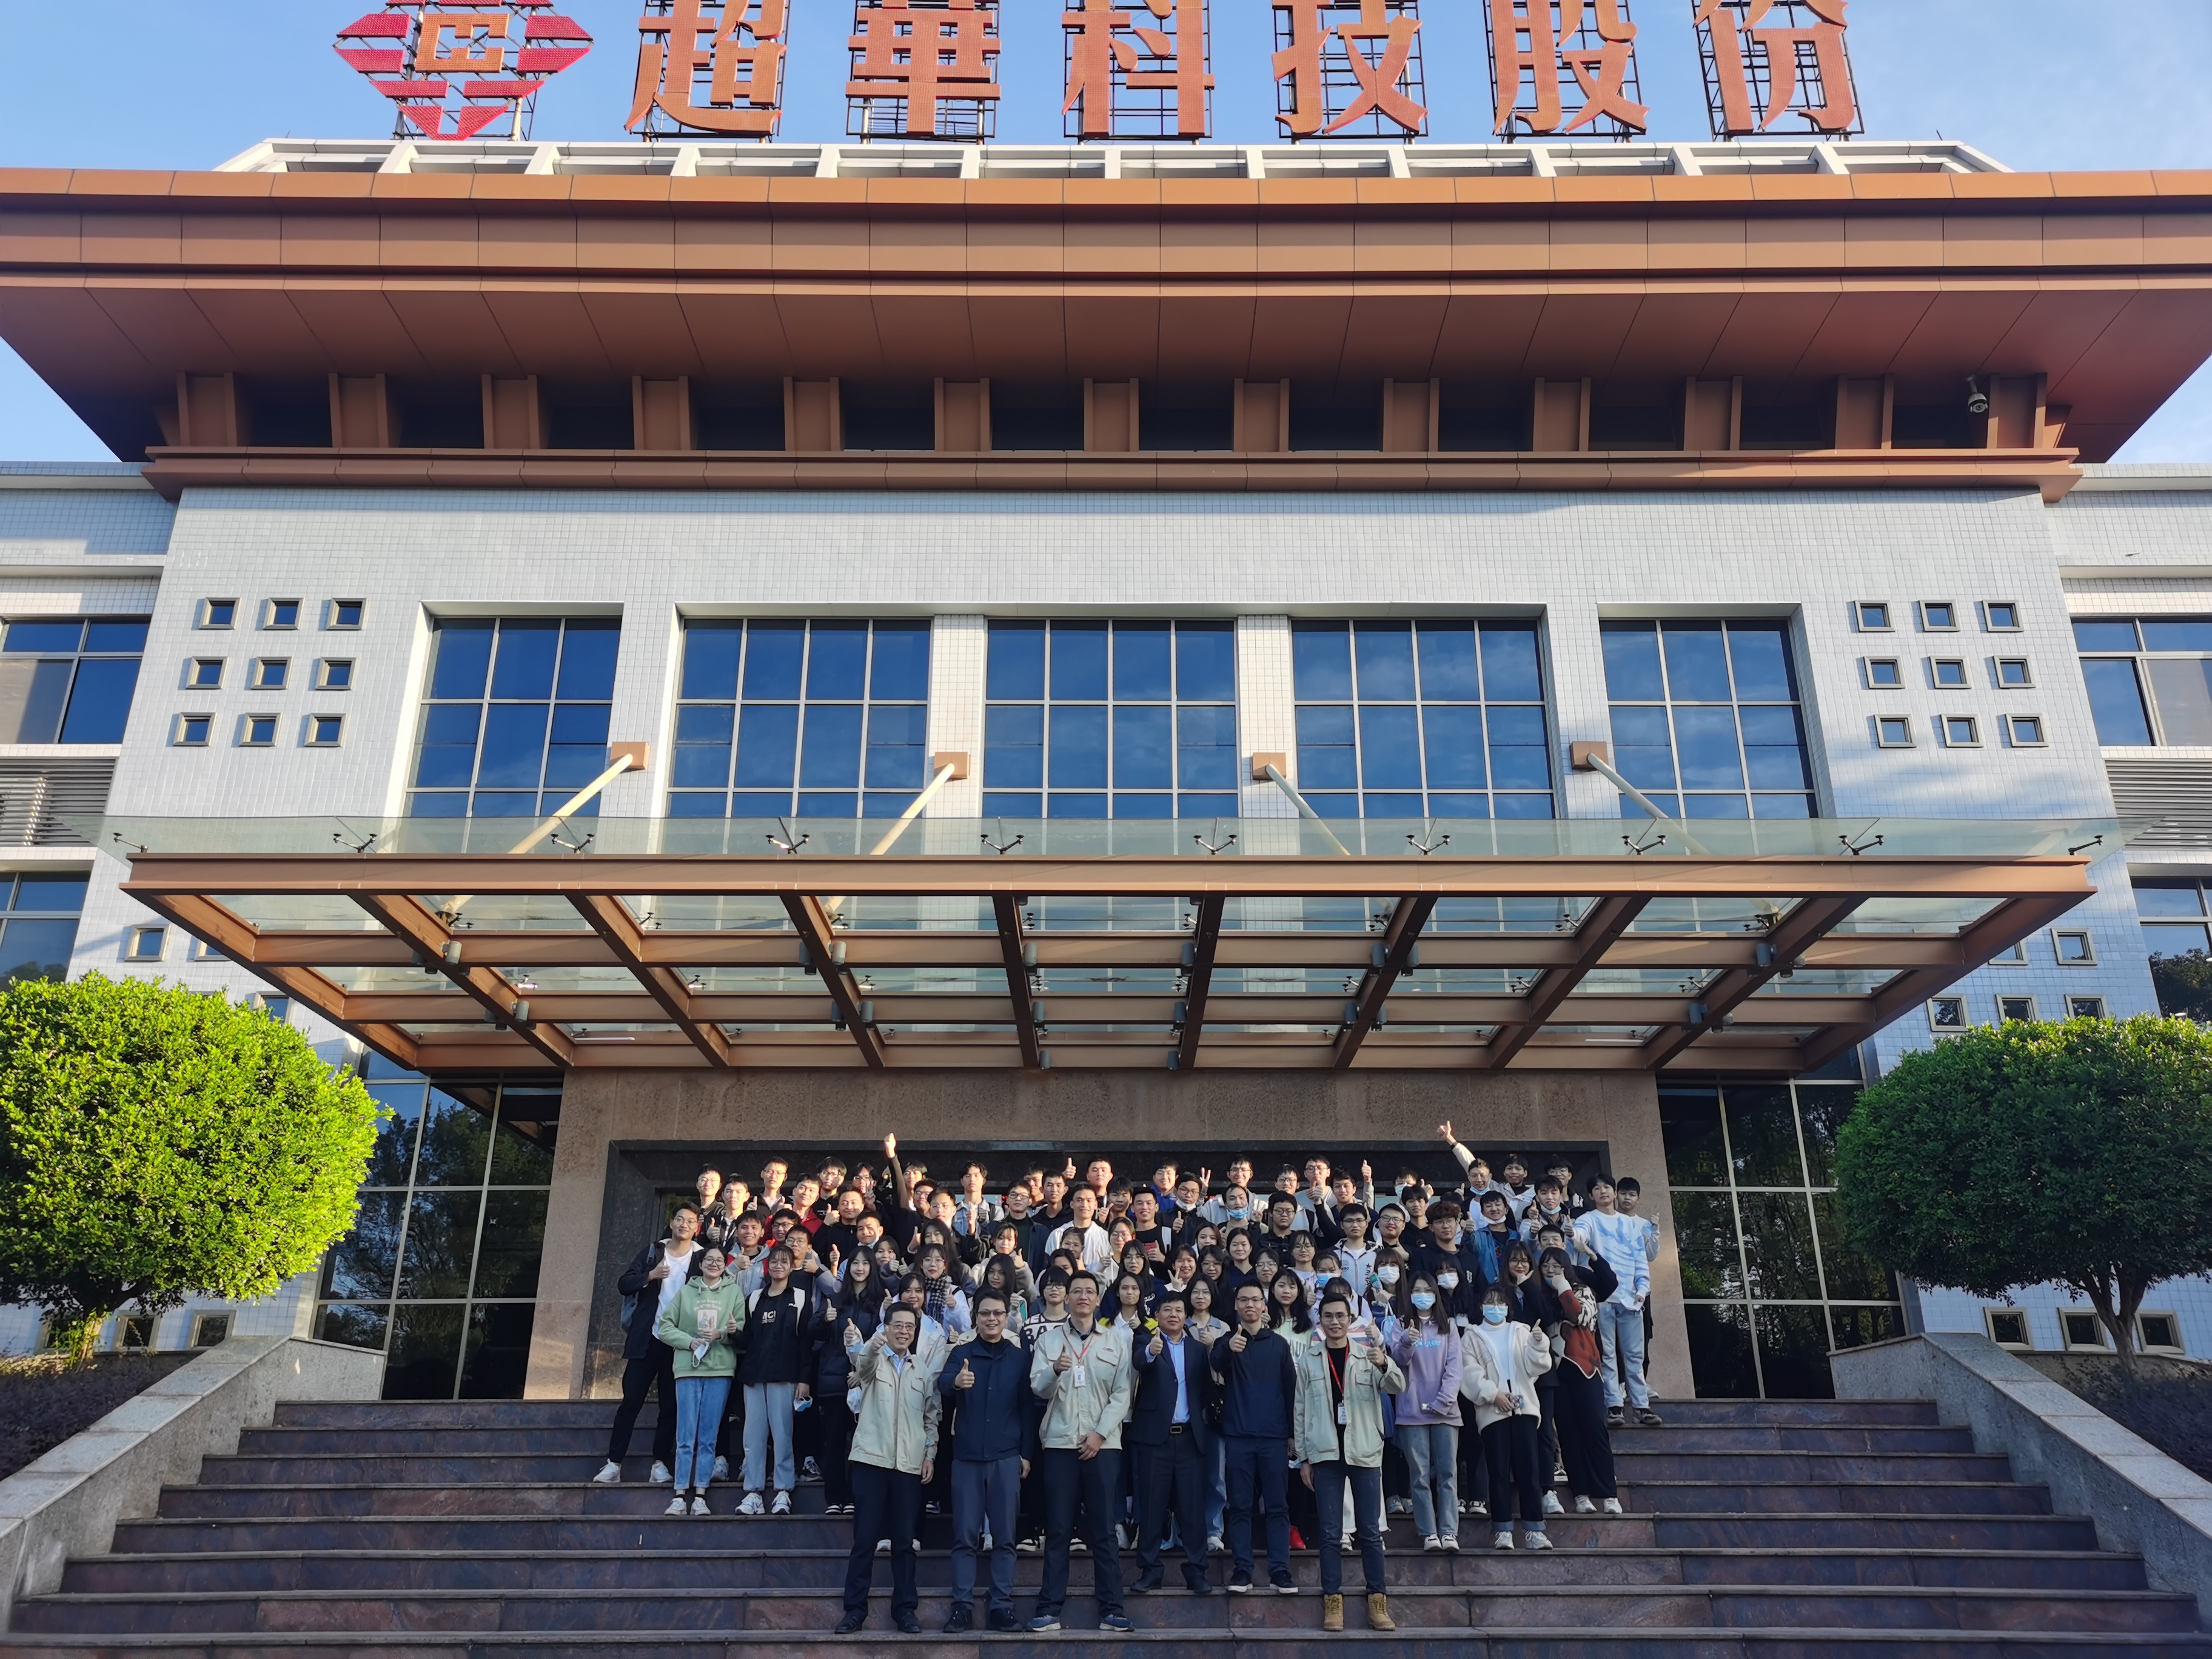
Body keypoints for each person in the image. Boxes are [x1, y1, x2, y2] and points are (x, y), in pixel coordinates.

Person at [1027, 1270, 1134, 1634]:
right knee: (1058, 1529)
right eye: (1077, 1291)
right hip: (1060, 1443)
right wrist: (1055, 1371)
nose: (1083, 1297)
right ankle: (1049, 1609)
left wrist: (1100, 1434)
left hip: (1103, 1446)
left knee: (1104, 1529)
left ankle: (1112, 1610)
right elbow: (1038, 1388)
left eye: (1090, 1291)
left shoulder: (1116, 1340)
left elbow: (1123, 1394)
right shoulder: (1049, 1340)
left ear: (1099, 1299)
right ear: (1067, 1298)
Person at [1294, 1289, 1403, 1633]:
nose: (1335, 1322)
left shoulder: (1368, 1355)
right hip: (1325, 1453)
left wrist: (1384, 1362)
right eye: (1328, 1316)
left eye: (1340, 1316)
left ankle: (1378, 1602)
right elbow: (1300, 1411)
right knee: (1329, 1534)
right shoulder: (1309, 1359)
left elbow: (1397, 1386)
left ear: (1350, 1319)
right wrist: (1304, 1458)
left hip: (1364, 1451)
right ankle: (1332, 1601)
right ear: (1320, 1320)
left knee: (1370, 1532)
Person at [834, 1305, 943, 1636]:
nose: (904, 1331)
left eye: (910, 1326)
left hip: (908, 1466)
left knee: (905, 1543)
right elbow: (862, 1364)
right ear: (886, 1327)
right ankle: (854, 1611)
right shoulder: (873, 1360)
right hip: (871, 1461)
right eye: (898, 1325)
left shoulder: (922, 1370)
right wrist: (873, 1342)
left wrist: (929, 1455)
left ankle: (905, 1611)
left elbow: (931, 1418)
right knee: (865, 1540)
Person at [940, 1290, 1035, 1634]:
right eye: (985, 1314)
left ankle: (1001, 1607)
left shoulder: (1019, 1357)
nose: (992, 1319)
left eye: (998, 1313)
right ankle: (962, 1607)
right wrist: (956, 1381)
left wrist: (1026, 1454)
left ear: (1007, 1317)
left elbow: (1027, 1409)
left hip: (1006, 1456)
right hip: (967, 1456)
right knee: (965, 1537)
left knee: (1005, 1537)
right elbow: (942, 1384)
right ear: (975, 1317)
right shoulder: (962, 1353)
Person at [597, 1202, 702, 1485]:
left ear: (697, 1228)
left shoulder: (701, 1257)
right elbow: (624, 1284)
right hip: (647, 1338)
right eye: (679, 1219)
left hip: (679, 1343)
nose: (684, 1224)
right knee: (631, 1401)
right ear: (672, 1223)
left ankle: (660, 1463)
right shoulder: (653, 1252)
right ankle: (613, 1463)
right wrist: (650, 1276)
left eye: (690, 1221)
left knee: (670, 1407)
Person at [1210, 1281, 1298, 1596]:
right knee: (1240, 1506)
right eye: (1243, 1300)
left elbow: (1290, 1390)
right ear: (1236, 1306)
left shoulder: (1279, 1345)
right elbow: (1215, 1364)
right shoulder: (1227, 1342)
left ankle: (1280, 1570)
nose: (1250, 1305)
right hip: (1238, 1435)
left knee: (1277, 1506)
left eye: (1255, 1300)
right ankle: (1242, 1570)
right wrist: (1228, 1349)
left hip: (1274, 1436)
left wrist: (1292, 1434)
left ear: (1264, 1306)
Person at [1126, 1290, 1216, 1597]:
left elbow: (1205, 1390)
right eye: (1167, 1310)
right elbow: (1139, 1362)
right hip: (1155, 1440)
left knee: (1192, 1509)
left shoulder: (1197, 1349)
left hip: (1190, 1439)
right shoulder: (1145, 1341)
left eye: (1179, 1310)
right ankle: (1150, 1570)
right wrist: (1151, 1352)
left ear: (1186, 1315)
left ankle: (1196, 1570)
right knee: (1152, 1507)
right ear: (1158, 1315)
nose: (1173, 1314)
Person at [654, 1243, 745, 1516]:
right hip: (688, 1369)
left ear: (725, 1266)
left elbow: (741, 1328)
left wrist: (723, 1333)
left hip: (720, 1369)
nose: (714, 1264)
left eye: (720, 1261)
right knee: (685, 1435)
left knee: (708, 1436)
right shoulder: (686, 1292)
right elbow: (664, 1327)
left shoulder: (734, 1292)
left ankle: (701, 1494)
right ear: (701, 1264)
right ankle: (680, 1494)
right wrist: (689, 1342)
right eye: (709, 1260)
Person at [1463, 1285, 1553, 1550]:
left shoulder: (1521, 1331)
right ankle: (1503, 1530)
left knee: (1529, 1470)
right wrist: (1494, 1395)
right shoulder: (1471, 1336)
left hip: (1525, 1409)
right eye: (1490, 1302)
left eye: (1500, 1303)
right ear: (1481, 1307)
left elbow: (1536, 1367)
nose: (1496, 1307)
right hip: (1493, 1413)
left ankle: (1534, 1530)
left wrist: (1539, 1344)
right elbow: (1469, 1373)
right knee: (1499, 1472)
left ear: (1508, 1307)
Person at [1538, 1246, 1623, 1517]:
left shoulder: (1583, 1290)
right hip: (1556, 1372)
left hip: (1585, 1370)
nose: (1551, 1270)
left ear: (1567, 1267)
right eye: (1546, 1266)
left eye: (1557, 1265)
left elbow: (1579, 1316)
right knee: (1568, 1434)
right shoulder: (1541, 1296)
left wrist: (1563, 1285)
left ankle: (1609, 1494)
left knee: (1595, 1430)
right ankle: (1581, 1494)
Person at [1577, 1175, 1662, 1427]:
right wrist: (1574, 1236)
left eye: (1607, 1187)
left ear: (1614, 1193)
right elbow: (1579, 1238)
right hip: (1603, 1298)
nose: (1602, 1191)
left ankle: (1641, 1406)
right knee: (1607, 1354)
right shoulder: (1587, 1219)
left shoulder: (1631, 1224)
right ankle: (1614, 1406)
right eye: (1597, 1188)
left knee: (1635, 1355)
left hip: (1631, 1299)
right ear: (1591, 1195)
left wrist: (1643, 1288)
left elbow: (1640, 1259)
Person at [1390, 1275, 1463, 1552]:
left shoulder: (1449, 1326)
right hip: (1411, 1410)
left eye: (1427, 1290)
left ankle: (1449, 1531)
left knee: (1448, 1473)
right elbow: (1397, 1362)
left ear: (1436, 1294)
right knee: (1419, 1475)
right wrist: (1407, 1341)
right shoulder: (1401, 1324)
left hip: (1446, 1411)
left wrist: (1444, 1400)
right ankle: (1428, 1532)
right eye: (1417, 1290)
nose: (1422, 1295)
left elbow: (1455, 1368)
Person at [817, 1252, 885, 1518]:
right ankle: (834, 1498)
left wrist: (862, 1373)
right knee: (834, 1442)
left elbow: (884, 1345)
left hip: (866, 1383)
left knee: (861, 1443)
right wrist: (825, 1320)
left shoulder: (880, 1302)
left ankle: (855, 1498)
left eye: (865, 1263)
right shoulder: (835, 1299)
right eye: (855, 1263)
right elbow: (813, 1332)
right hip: (836, 1380)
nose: (860, 1268)